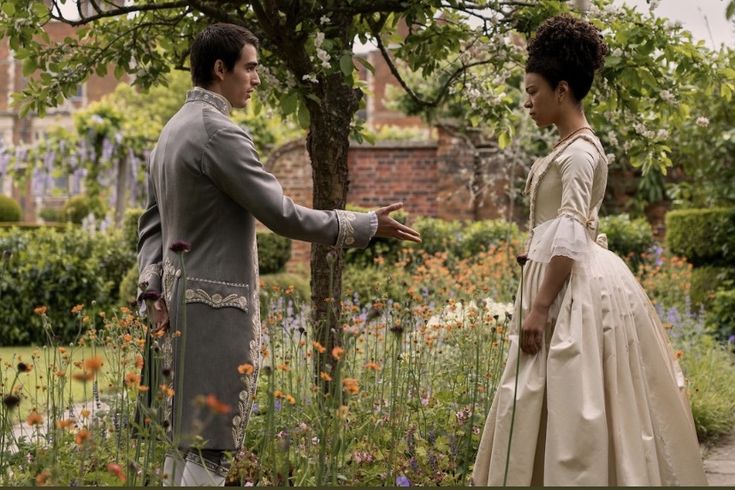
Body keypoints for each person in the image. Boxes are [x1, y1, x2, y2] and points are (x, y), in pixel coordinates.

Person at [136, 23, 421, 486]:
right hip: (214, 315)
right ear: (220, 69)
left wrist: (151, 290)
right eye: (249, 68)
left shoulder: (172, 131)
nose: (256, 79)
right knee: (212, 449)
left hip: (172, 310)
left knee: (184, 445)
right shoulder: (218, 133)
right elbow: (282, 215)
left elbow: (151, 224)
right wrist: (363, 224)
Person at [472, 14, 707, 486]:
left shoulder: (580, 153)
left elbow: (572, 231)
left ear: (562, 90)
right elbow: (552, 226)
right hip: (560, 278)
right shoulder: (565, 148)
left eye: (534, 91)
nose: (527, 101)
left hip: (571, 291)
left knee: (573, 398)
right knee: (541, 394)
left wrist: (539, 307)